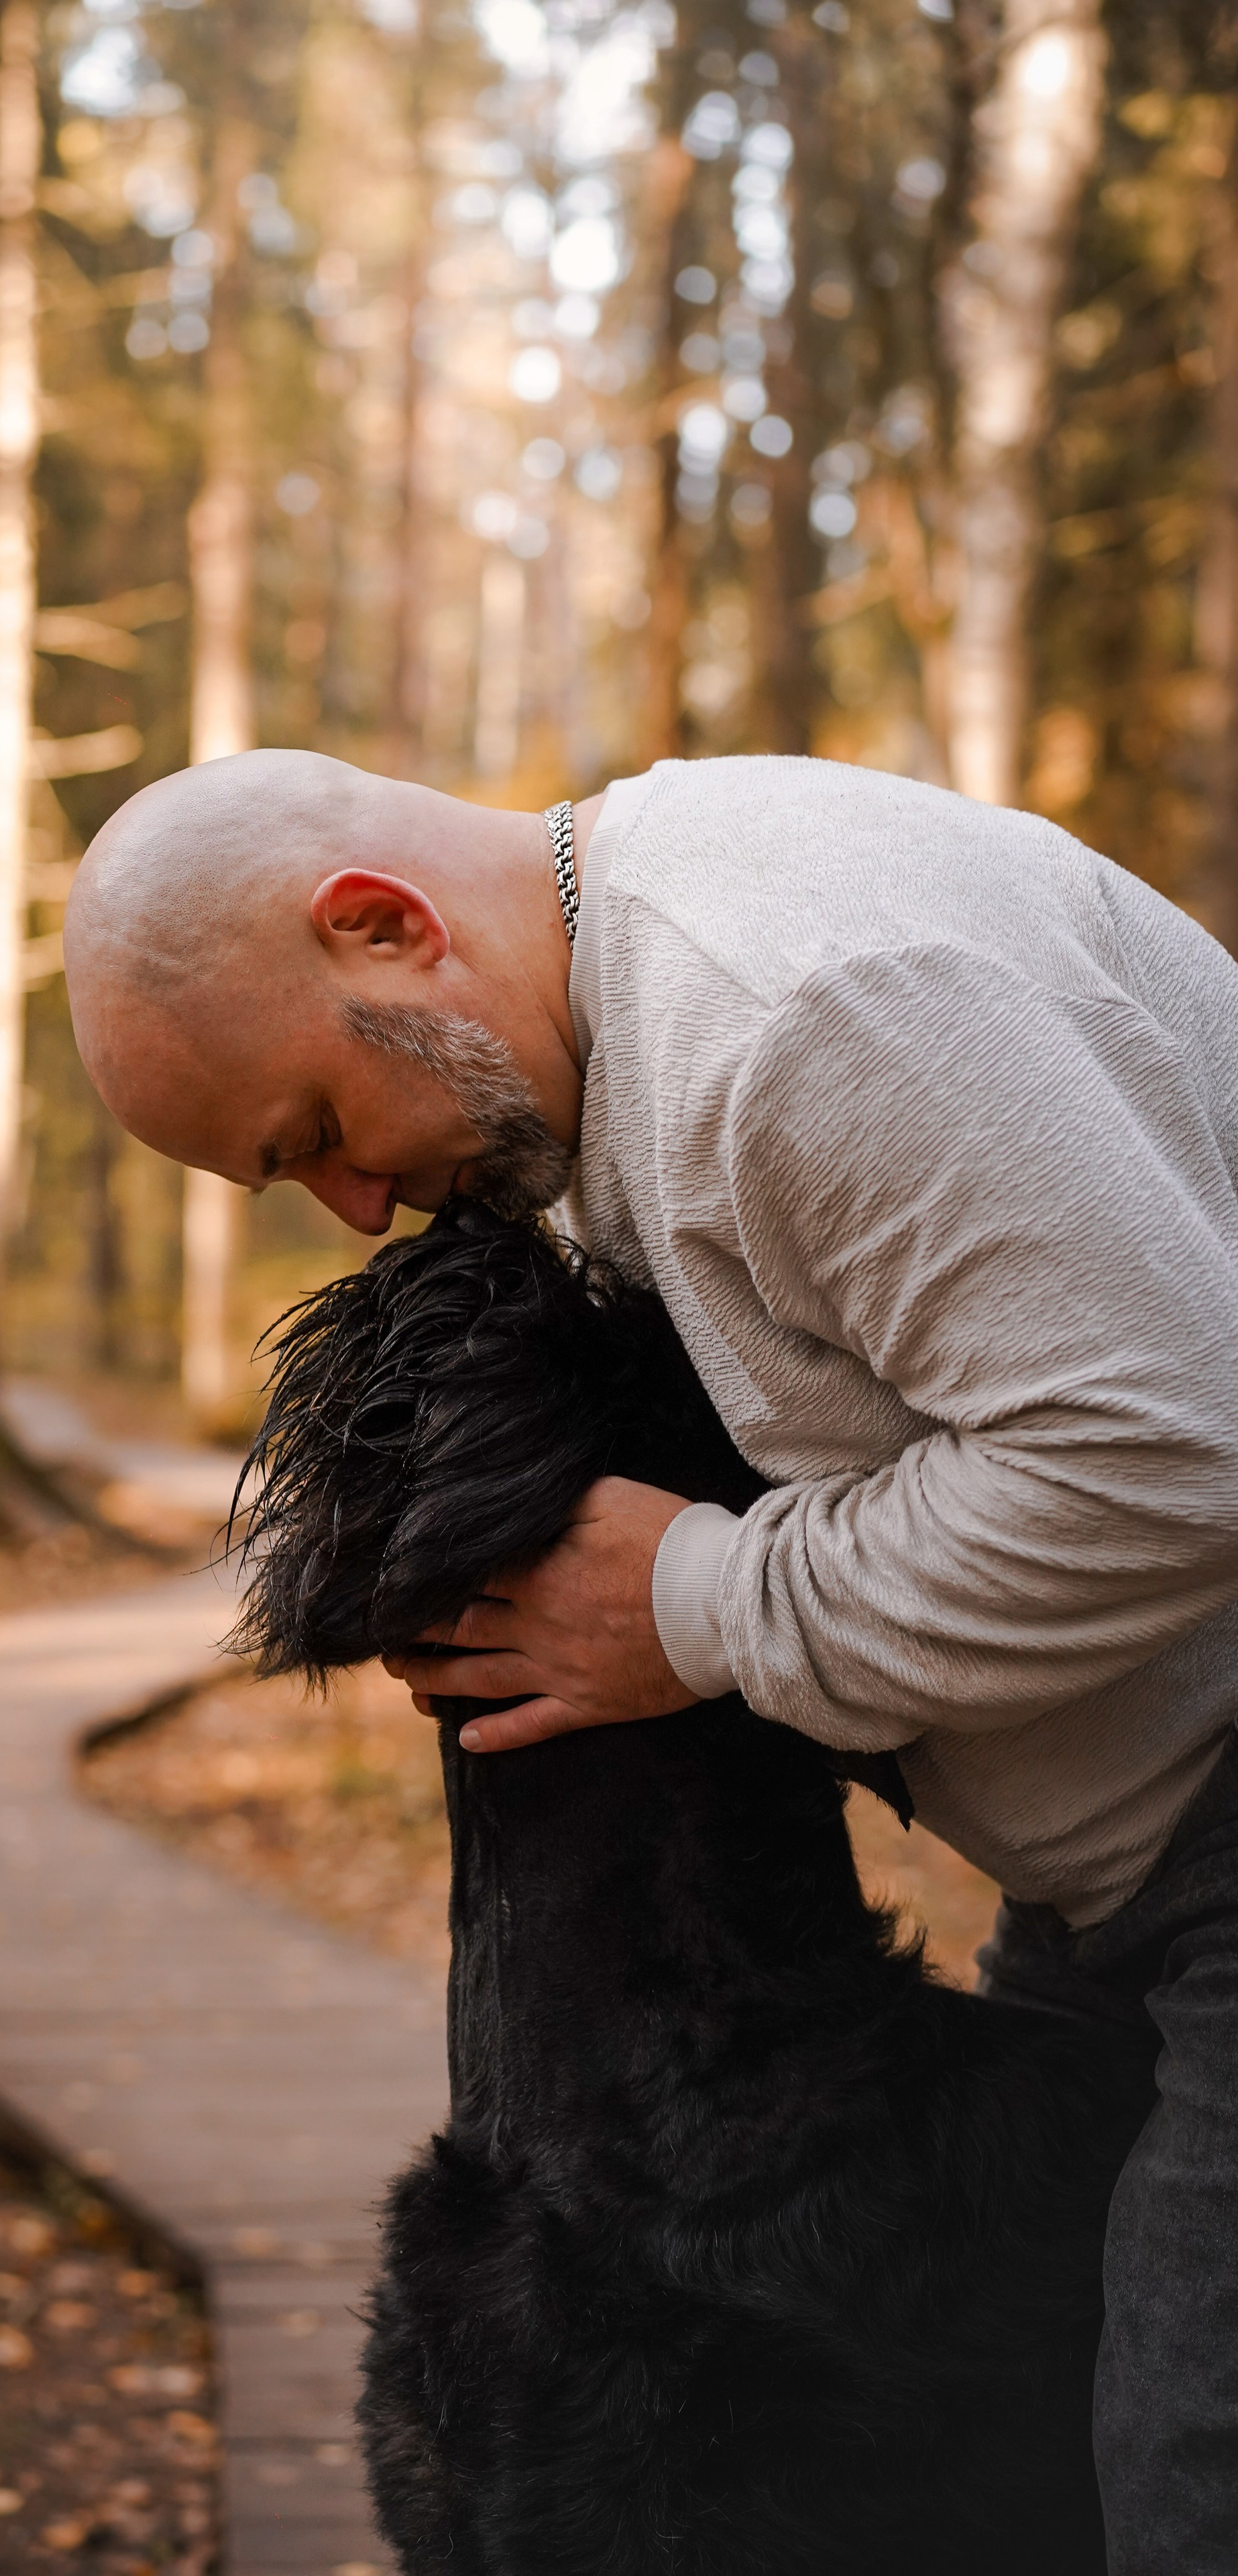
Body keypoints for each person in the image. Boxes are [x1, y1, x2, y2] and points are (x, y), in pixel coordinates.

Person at [64, 745, 1238, 2572]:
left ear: (382, 929)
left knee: (1179, 2487)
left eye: (306, 1136)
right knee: (1044, 2467)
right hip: (1122, 1873)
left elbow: (1174, 1452)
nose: (355, 1212)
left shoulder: (802, 1007)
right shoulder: (626, 1037)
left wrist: (697, 1609)